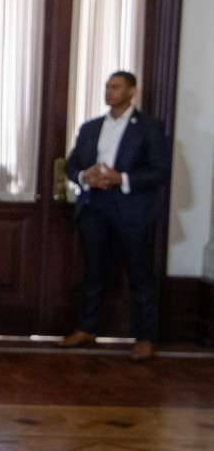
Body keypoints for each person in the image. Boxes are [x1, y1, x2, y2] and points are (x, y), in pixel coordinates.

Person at [60, 71, 171, 362]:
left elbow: (161, 170)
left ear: (131, 91)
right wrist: (84, 177)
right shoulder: (91, 127)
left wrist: (122, 178)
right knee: (93, 271)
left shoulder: (149, 127)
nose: (109, 92)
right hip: (94, 207)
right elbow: (71, 165)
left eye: (116, 87)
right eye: (107, 87)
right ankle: (86, 328)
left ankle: (144, 337)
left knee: (139, 273)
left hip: (132, 209)